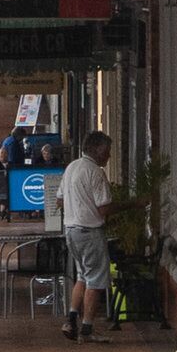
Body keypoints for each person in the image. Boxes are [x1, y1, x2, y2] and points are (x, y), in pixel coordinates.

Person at [50, 130, 116, 341]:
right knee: (96, 280)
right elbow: (104, 207)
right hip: (90, 231)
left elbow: (59, 200)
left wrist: (75, 208)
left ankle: (70, 320)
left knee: (82, 276)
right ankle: (87, 330)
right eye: (107, 151)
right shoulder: (95, 172)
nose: (108, 156)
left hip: (71, 230)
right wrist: (133, 205)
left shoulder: (72, 167)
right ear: (97, 149)